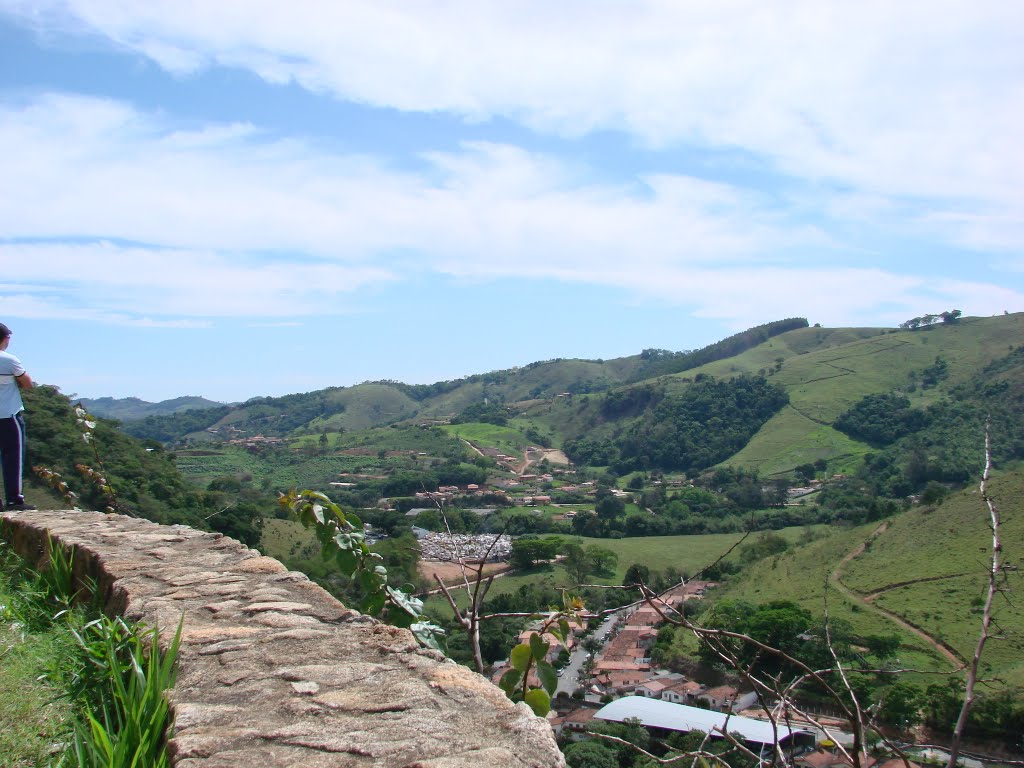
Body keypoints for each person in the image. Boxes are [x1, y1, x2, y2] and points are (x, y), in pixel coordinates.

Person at [0, 323, 35, 511]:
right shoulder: (8, 360)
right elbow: (27, 382)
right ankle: (14, 499)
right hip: (7, 414)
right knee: (13, 456)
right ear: (5, 339)